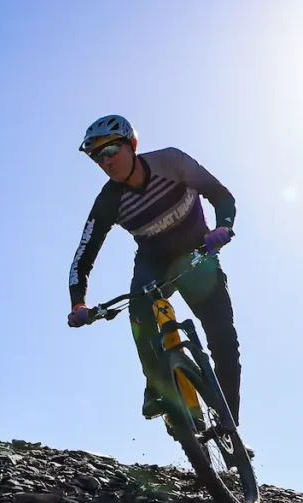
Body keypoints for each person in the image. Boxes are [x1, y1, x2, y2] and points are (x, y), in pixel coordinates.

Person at [66, 114, 245, 430]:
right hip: (154, 260)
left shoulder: (171, 162)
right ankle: (158, 385)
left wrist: (224, 227)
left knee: (224, 339)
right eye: (97, 157)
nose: (106, 162)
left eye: (111, 151)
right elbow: (83, 257)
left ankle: (228, 425)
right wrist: (78, 303)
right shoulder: (108, 201)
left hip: (198, 253)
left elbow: (221, 195)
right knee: (139, 310)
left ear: (132, 145)